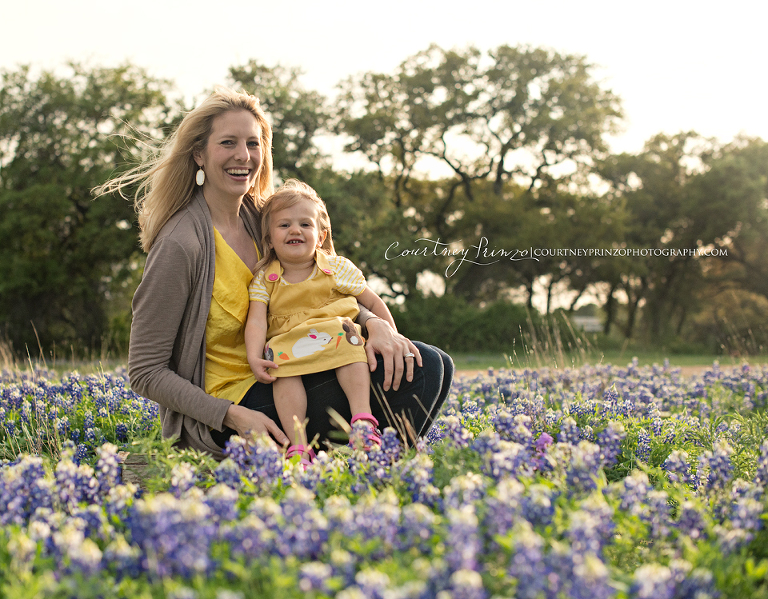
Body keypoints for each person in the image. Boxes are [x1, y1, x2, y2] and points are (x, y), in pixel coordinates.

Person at [97, 86, 453, 461]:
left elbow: (323, 289)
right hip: (238, 405)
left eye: (253, 143)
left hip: (296, 362)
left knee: (436, 362)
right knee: (425, 366)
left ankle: (358, 469)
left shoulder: (265, 220)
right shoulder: (181, 245)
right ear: (199, 154)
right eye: (228, 143)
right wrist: (233, 416)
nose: (243, 156)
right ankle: (358, 474)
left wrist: (374, 323)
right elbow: (145, 371)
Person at [245, 180, 396, 461]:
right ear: (269, 240)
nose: (295, 230)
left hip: (336, 338)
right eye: (284, 225)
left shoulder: (337, 267)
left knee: (350, 338)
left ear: (322, 235)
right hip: (289, 346)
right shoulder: (265, 278)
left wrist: (392, 336)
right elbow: (256, 322)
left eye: (305, 224)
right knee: (280, 368)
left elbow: (372, 302)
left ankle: (362, 420)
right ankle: (298, 444)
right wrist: (254, 356)